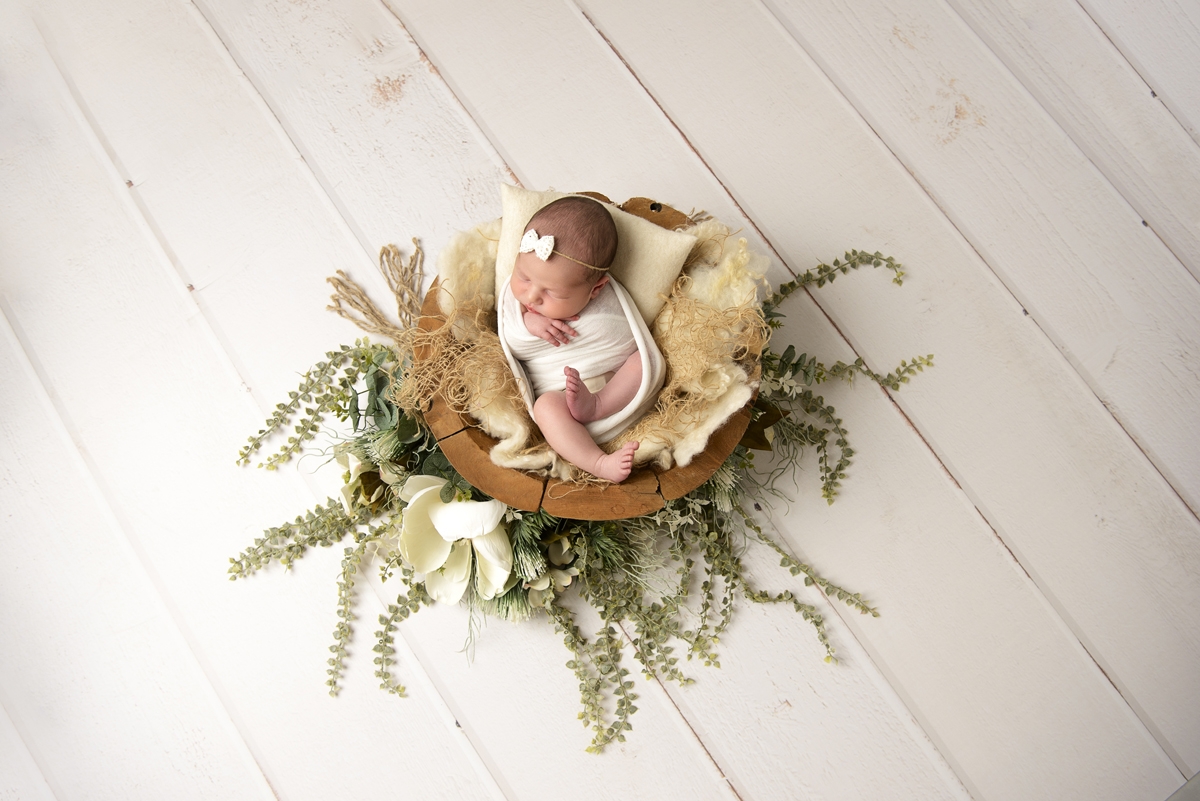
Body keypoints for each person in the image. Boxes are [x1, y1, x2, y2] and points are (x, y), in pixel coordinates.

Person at [499, 197, 649, 482]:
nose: (531, 297)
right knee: (545, 408)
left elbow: (631, 340)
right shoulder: (520, 305)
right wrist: (528, 324)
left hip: (615, 391)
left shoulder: (607, 297)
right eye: (524, 277)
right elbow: (512, 343)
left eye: (554, 293)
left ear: (596, 289)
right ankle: (599, 463)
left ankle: (597, 405)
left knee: (645, 360)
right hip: (560, 396)